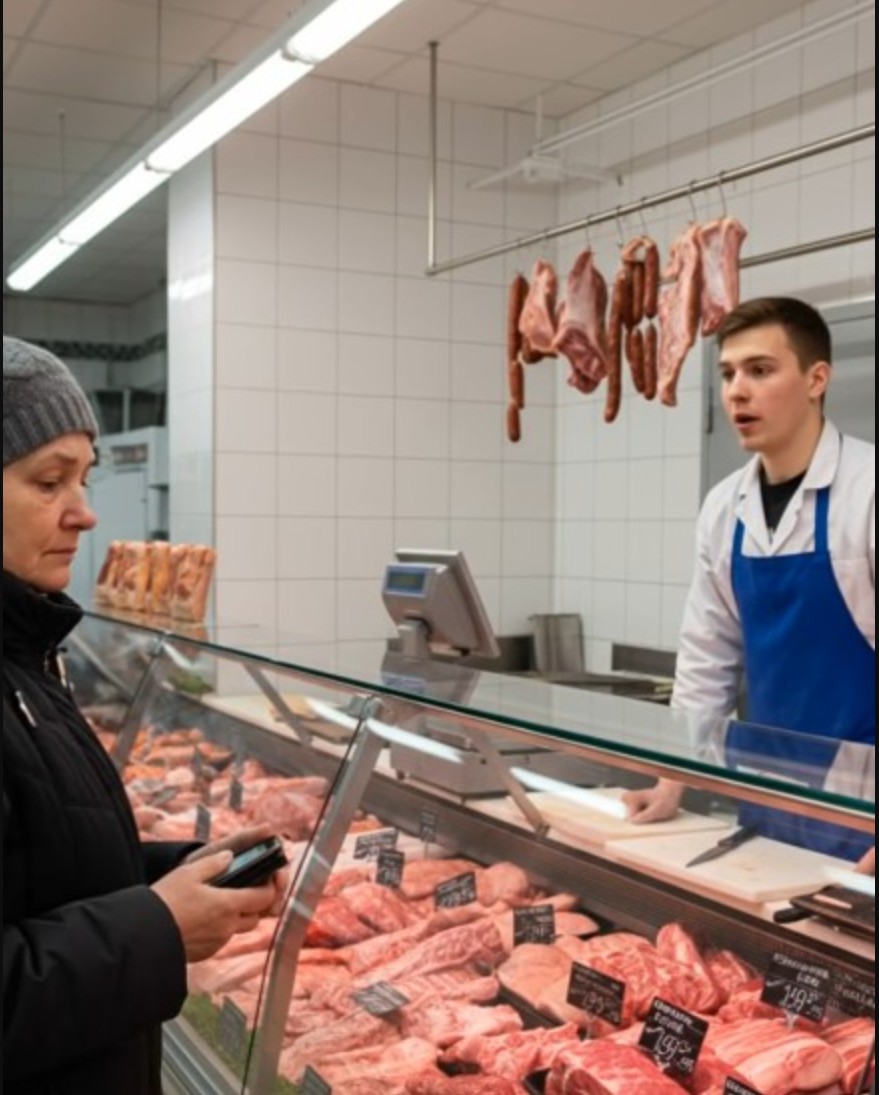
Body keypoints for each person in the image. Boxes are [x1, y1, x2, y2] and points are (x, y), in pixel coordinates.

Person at [3, 336, 280, 1094]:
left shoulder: (25, 647)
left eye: (84, 479)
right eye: (48, 481)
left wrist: (173, 874)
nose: (85, 514)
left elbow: (37, 861)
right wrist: (156, 928)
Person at [624, 298, 875, 867]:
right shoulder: (725, 507)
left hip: (864, 805)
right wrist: (673, 778)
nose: (737, 391)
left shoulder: (868, 493)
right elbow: (706, 656)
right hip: (765, 797)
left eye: (760, 370)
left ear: (816, 379)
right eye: (729, 373)